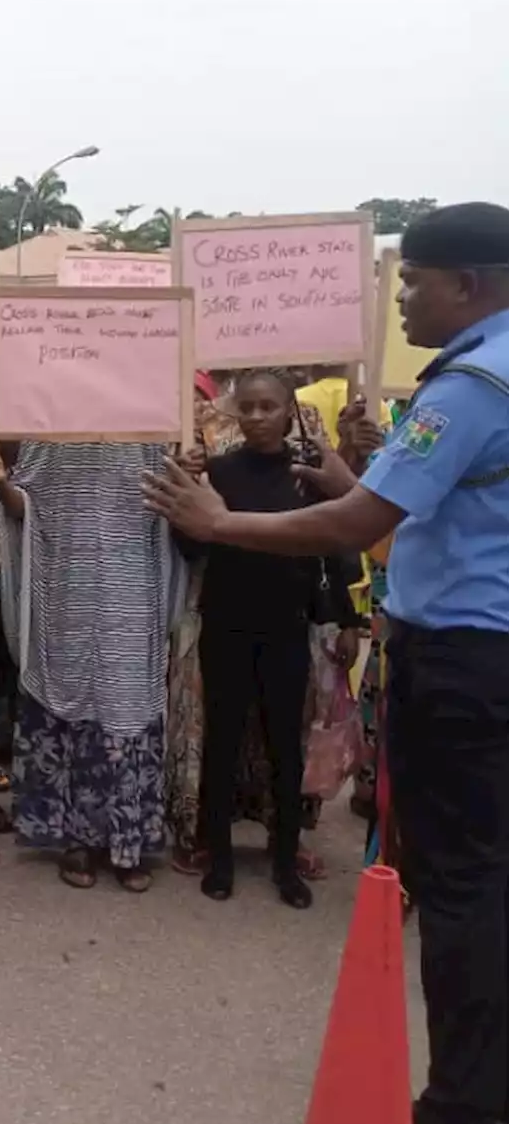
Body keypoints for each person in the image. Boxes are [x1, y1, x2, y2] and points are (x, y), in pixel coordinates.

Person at [143, 202, 510, 1124]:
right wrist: (354, 472)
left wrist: (220, 522)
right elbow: (403, 507)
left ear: (466, 284)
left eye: (412, 281)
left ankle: (460, 1123)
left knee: (464, 884)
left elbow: (353, 523)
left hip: (468, 660)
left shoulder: (470, 385)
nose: (399, 296)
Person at [180, 371, 360, 908]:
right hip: (226, 623)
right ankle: (220, 856)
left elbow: (333, 547)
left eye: (269, 407)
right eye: (249, 407)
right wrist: (188, 490)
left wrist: (346, 619)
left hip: (287, 625)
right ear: (235, 412)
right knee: (223, 741)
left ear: (289, 412)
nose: (257, 416)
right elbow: (191, 548)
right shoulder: (215, 472)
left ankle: (285, 862)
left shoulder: (309, 475)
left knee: (286, 747)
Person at [0, 440, 174, 892]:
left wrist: (183, 471)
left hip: (132, 591)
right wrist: (2, 481)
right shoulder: (51, 431)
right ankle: (76, 842)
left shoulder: (148, 429)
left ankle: (129, 843)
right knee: (68, 708)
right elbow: (25, 509)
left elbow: (170, 509)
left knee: (126, 710)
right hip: (64, 589)